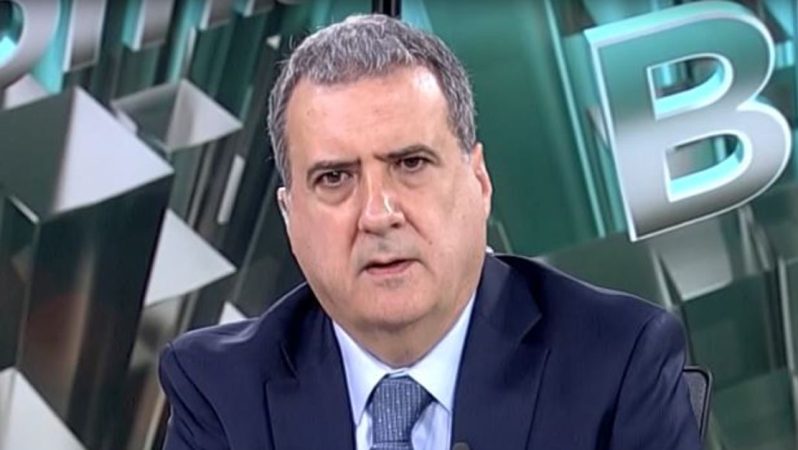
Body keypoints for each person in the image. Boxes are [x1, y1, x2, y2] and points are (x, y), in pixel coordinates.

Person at [158, 14, 701, 450]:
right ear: (288, 215)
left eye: (410, 163)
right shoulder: (220, 390)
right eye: (334, 178)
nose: (378, 213)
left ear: (479, 182)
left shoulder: (617, 362)